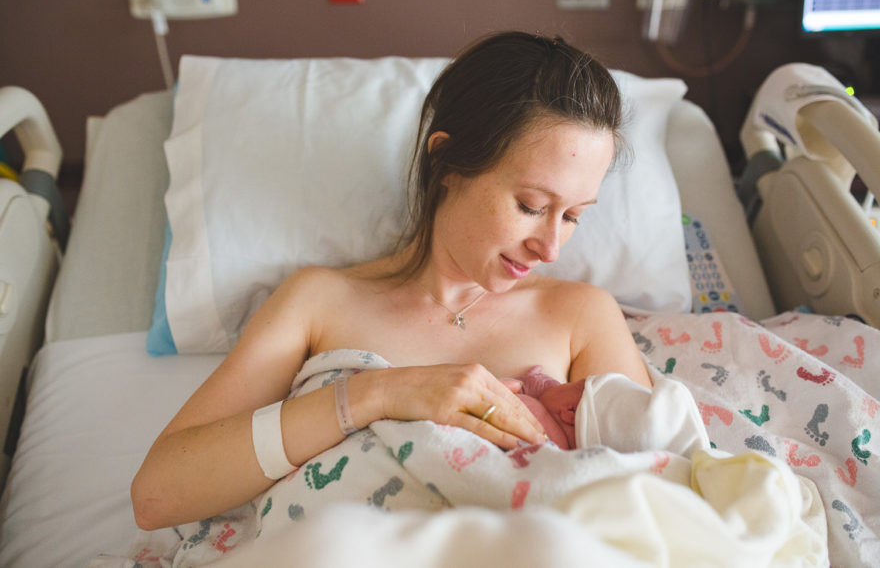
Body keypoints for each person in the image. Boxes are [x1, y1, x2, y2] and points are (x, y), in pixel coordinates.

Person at [131, 30, 652, 531]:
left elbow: (658, 500)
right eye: (531, 206)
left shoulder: (581, 315)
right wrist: (375, 395)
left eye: (573, 216)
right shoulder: (318, 302)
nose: (552, 248)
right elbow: (157, 495)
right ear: (447, 161)